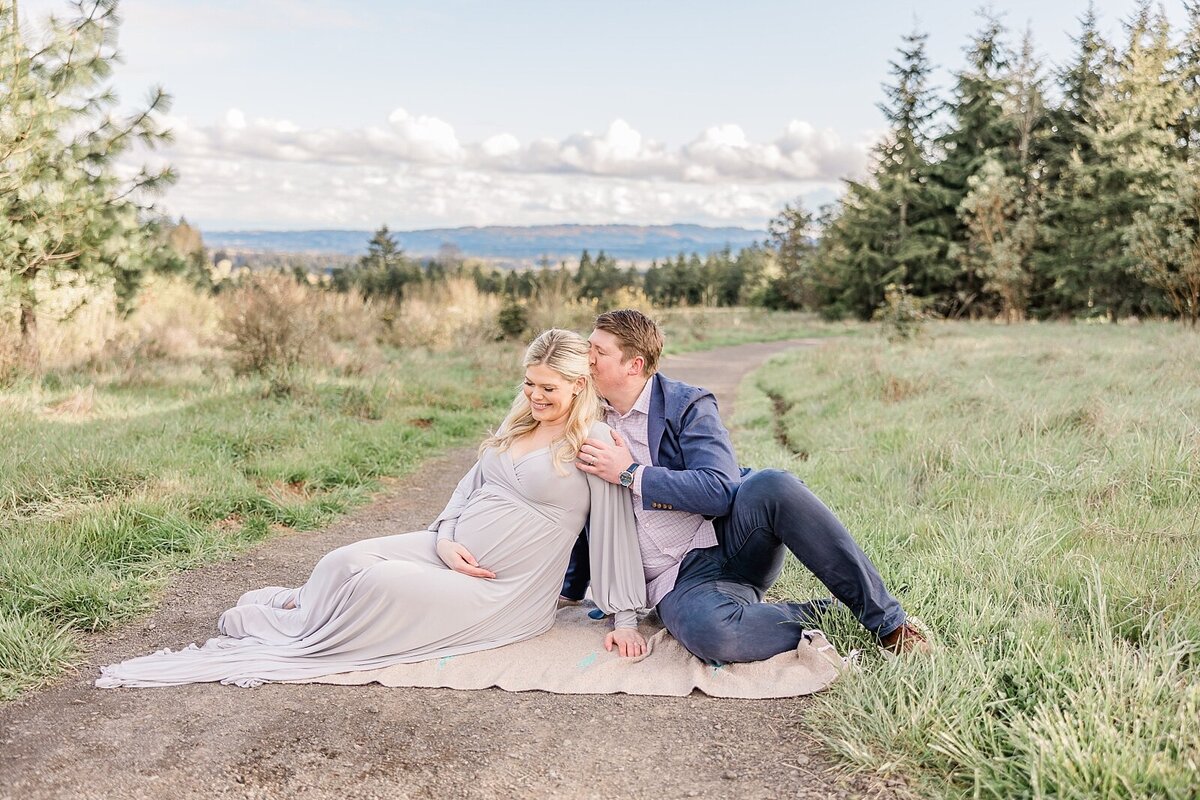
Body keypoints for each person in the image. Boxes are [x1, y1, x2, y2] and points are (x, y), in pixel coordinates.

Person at [97, 329, 647, 689]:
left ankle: (302, 625)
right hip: (449, 552)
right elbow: (467, 486)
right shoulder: (519, 424)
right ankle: (307, 610)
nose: (534, 396)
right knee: (342, 560)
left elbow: (616, 532)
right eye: (529, 384)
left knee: (374, 585)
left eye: (548, 387)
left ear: (579, 386)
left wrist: (623, 616)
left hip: (499, 589)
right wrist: (445, 537)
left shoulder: (593, 443)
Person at [565, 309, 929, 664]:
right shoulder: (586, 418)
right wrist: (571, 588)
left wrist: (631, 473)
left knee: (775, 485)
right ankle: (833, 614)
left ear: (635, 364)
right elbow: (579, 506)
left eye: (598, 352)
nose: (588, 360)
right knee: (717, 636)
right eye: (588, 349)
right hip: (675, 582)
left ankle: (889, 624)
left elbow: (720, 490)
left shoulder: (686, 404)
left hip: (730, 537)